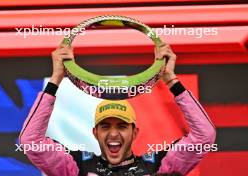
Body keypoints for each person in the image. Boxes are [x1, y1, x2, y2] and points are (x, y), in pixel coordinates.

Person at [19, 43, 216, 176]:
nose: (113, 133)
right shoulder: (76, 166)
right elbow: (30, 142)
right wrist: (56, 79)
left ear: (134, 132)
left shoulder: (158, 165)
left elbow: (204, 137)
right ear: (95, 133)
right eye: (105, 126)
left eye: (122, 126)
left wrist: (171, 80)